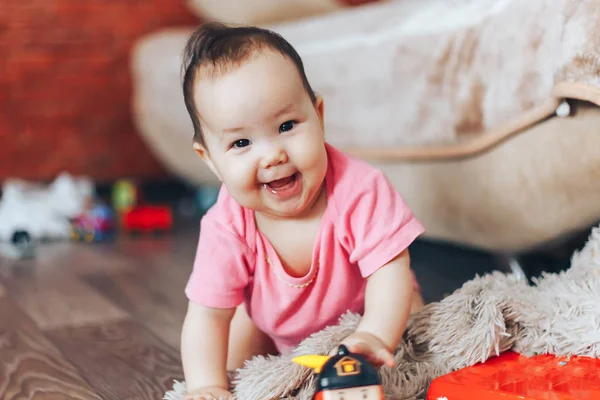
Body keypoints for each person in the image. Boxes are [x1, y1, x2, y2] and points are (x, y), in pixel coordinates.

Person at [179, 21, 426, 400]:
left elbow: (389, 271)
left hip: (368, 315)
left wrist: (375, 333)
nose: (273, 154)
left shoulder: (360, 189)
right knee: (231, 350)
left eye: (287, 125)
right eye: (241, 142)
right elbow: (207, 315)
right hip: (278, 325)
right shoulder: (227, 225)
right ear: (210, 160)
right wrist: (205, 386)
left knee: (413, 329)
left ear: (318, 115)